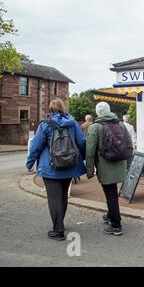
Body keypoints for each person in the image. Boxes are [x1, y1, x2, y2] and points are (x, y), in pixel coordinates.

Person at [26, 99, 86, 241]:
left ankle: (58, 230)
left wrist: (29, 163)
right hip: (70, 165)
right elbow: (82, 142)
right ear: (63, 108)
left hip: (51, 166)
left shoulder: (45, 125)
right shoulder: (73, 123)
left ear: (50, 109)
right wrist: (80, 158)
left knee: (54, 198)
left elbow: (36, 146)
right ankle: (60, 223)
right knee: (63, 195)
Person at [86, 102, 133, 236]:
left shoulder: (95, 127)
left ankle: (116, 225)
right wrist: (128, 165)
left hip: (105, 165)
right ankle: (110, 215)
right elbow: (129, 147)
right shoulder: (121, 125)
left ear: (97, 113)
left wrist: (89, 171)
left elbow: (90, 151)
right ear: (110, 111)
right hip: (120, 164)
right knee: (112, 192)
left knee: (111, 194)